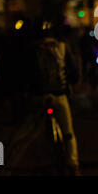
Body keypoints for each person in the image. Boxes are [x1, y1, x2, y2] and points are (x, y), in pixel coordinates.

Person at [22, 18, 81, 175]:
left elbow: (24, 75)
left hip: (39, 97)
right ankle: (73, 165)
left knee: (35, 131)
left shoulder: (31, 49)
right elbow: (74, 72)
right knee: (68, 132)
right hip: (60, 95)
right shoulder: (62, 47)